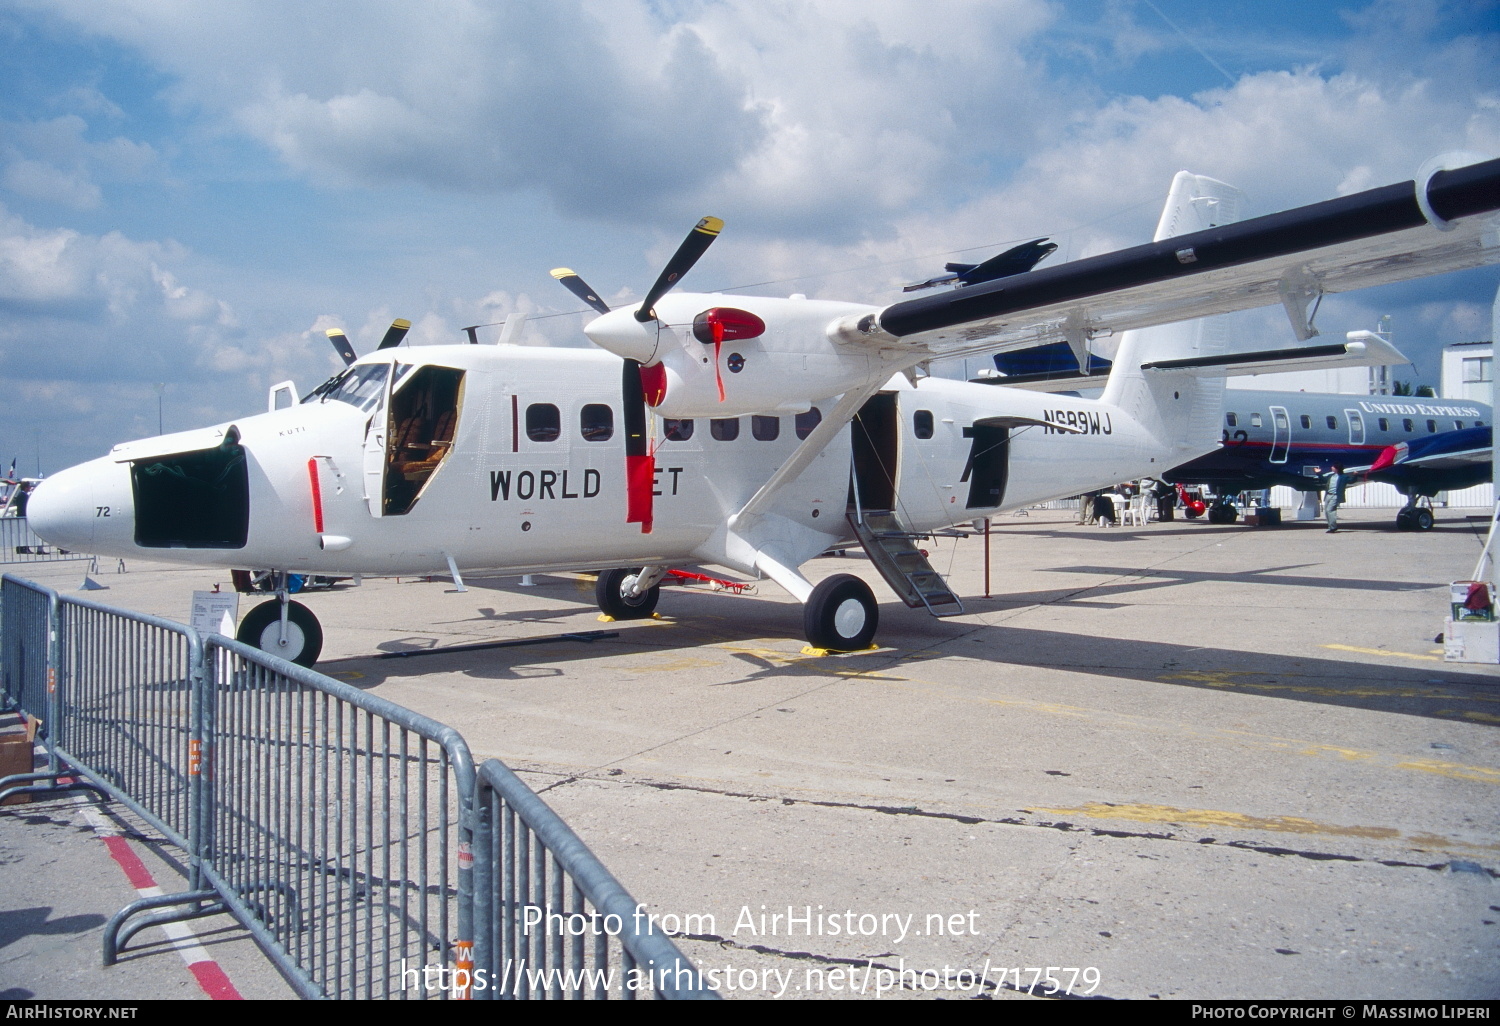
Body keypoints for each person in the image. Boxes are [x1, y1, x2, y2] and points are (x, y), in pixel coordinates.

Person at [1323, 464, 1346, 533]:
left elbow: (1351, 480)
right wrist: (1318, 473)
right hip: (1328, 495)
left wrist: (1355, 475)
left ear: (1337, 468)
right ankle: (1330, 526)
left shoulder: (1343, 477)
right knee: (1326, 511)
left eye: (1333, 467)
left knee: (1330, 510)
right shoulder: (1331, 476)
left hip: (1335, 495)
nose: (1331, 467)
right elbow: (1323, 479)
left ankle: (1333, 527)